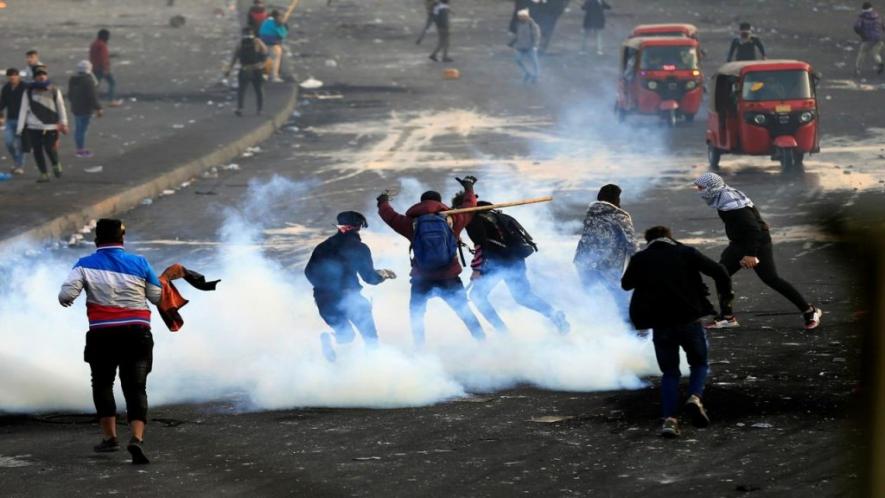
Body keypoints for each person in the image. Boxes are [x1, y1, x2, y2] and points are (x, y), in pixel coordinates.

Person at [58, 219, 162, 464]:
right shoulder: (140, 262)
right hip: (137, 334)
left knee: (103, 384)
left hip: (102, 336)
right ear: (122, 240)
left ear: (96, 241)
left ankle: (110, 438)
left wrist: (74, 297)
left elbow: (65, 296)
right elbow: (156, 297)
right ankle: (136, 438)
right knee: (136, 387)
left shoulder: (84, 265)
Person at [622, 226, 733, 438]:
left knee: (670, 373)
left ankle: (670, 421)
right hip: (688, 320)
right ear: (669, 237)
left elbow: (626, 285)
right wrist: (726, 297)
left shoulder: (640, 258)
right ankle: (694, 397)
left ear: (649, 241)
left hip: (660, 325)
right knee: (699, 363)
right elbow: (720, 271)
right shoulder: (686, 253)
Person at [693, 172, 823, 330]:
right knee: (721, 274)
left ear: (711, 188)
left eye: (701, 188)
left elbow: (754, 230)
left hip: (756, 243)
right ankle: (727, 318)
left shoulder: (731, 205)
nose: (698, 191)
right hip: (740, 242)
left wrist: (751, 254)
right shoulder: (723, 195)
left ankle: (810, 311)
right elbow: (752, 218)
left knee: (771, 278)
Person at [377, 176, 486, 347]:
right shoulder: (453, 219)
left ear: (420, 203)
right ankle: (484, 342)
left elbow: (388, 216)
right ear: (440, 202)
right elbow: (469, 206)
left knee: (417, 314)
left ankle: (420, 349)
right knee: (464, 311)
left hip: (422, 278)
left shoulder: (411, 223)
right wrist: (469, 188)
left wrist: (383, 201)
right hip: (449, 277)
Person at [456, 197, 570, 334]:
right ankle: (555, 315)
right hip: (516, 260)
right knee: (523, 296)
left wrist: (477, 270)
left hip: (496, 262)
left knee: (477, 296)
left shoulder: (475, 220)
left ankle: (502, 331)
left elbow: (482, 246)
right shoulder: (501, 216)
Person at [305, 211, 397, 362]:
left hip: (324, 300)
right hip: (350, 298)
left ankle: (331, 342)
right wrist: (384, 274)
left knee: (346, 336)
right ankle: (373, 372)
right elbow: (370, 278)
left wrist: (324, 288)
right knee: (371, 339)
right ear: (358, 227)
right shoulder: (359, 248)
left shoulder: (322, 246)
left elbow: (309, 272)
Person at [573, 184, 638, 316]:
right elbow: (631, 242)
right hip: (607, 264)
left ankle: (596, 326)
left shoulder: (591, 213)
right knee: (621, 299)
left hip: (584, 261)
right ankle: (630, 331)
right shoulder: (619, 215)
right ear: (615, 199)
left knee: (592, 297)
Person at [16, 65, 67, 183]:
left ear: (46, 76)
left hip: (51, 126)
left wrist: (64, 123)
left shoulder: (54, 90)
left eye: (43, 74)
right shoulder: (28, 91)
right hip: (33, 127)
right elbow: (23, 109)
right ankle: (44, 173)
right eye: (39, 75)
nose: (41, 76)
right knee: (37, 151)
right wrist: (19, 128)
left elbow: (61, 107)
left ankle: (56, 164)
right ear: (35, 78)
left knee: (49, 148)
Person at [225, 28, 268, 117]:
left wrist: (229, 69)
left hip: (244, 69)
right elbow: (265, 53)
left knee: (242, 90)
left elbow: (235, 56)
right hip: (256, 69)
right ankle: (259, 109)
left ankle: (240, 108)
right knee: (259, 90)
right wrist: (264, 68)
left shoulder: (241, 43)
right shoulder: (257, 42)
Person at [67, 60, 103, 158]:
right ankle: (80, 150)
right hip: (85, 109)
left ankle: (79, 148)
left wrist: (74, 103)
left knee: (78, 129)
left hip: (76, 108)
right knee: (82, 129)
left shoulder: (73, 79)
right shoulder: (88, 80)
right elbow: (92, 96)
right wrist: (98, 108)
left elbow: (70, 94)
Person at [0, 68, 26, 175]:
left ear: (18, 76)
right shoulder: (6, 88)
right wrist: (1, 116)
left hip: (23, 120)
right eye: (10, 75)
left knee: (20, 144)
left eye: (15, 75)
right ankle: (16, 160)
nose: (13, 77)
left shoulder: (25, 87)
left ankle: (19, 166)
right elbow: (2, 103)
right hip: (10, 119)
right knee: (8, 142)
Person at [90, 30, 122, 107]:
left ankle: (92, 101)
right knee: (112, 82)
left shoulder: (94, 44)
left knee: (95, 84)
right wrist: (106, 68)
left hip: (94, 67)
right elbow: (103, 58)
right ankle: (111, 100)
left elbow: (92, 57)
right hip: (101, 68)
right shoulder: (102, 45)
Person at [510, 9, 541, 84]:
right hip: (521, 47)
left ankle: (536, 76)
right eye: (519, 16)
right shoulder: (519, 24)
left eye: (521, 16)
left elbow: (536, 35)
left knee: (534, 62)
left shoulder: (532, 24)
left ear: (526, 16)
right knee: (518, 60)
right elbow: (518, 35)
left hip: (530, 47)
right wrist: (511, 42)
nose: (520, 18)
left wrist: (535, 46)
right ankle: (527, 73)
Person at [854, 2, 885, 76]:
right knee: (875, 53)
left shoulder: (862, 17)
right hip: (879, 38)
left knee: (862, 53)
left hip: (868, 39)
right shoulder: (877, 16)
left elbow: (856, 27)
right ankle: (880, 63)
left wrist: (861, 34)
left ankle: (858, 68)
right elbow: (883, 26)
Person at [259, 10, 289, 83]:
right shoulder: (277, 23)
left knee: (265, 60)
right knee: (275, 60)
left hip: (262, 44)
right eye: (280, 16)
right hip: (273, 44)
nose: (281, 18)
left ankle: (263, 75)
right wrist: (284, 25)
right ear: (276, 16)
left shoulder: (266, 21)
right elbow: (283, 34)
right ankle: (273, 77)